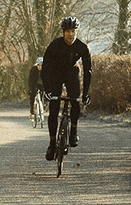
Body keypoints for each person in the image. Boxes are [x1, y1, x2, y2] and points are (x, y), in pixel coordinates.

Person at [42, 16, 92, 161]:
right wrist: (47, 89)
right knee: (54, 108)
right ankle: (52, 144)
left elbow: (88, 71)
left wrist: (86, 93)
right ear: (63, 32)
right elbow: (45, 68)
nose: (71, 34)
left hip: (72, 73)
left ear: (77, 31)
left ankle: (73, 131)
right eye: (68, 31)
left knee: (75, 100)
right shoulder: (55, 45)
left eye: (73, 31)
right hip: (55, 74)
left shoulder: (82, 47)